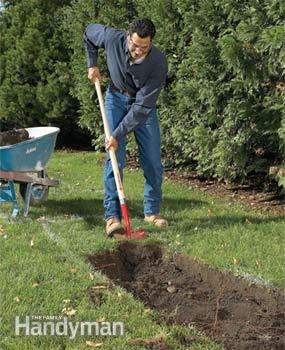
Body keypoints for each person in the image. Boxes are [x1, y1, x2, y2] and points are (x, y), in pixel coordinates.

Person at [84, 17, 168, 237]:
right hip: (115, 98)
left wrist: (116, 133)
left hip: (142, 108)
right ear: (127, 36)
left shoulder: (158, 62)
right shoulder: (112, 38)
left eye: (144, 47)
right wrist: (92, 63)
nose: (138, 51)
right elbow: (89, 33)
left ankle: (151, 212)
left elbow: (141, 108)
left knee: (152, 161)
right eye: (134, 45)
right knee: (114, 159)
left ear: (151, 44)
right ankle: (112, 217)